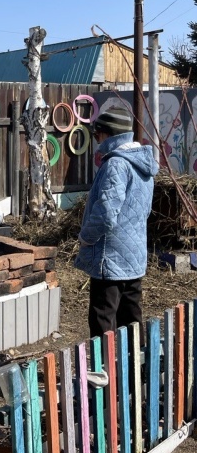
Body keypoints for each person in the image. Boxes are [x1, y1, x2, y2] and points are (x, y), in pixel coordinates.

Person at [75, 106, 158, 342]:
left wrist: (86, 237)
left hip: (109, 257)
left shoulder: (116, 165)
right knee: (131, 317)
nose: (97, 141)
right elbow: (144, 209)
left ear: (106, 134)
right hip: (135, 253)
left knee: (103, 317)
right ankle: (135, 370)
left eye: (97, 135)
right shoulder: (144, 165)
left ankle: (105, 375)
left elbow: (105, 213)